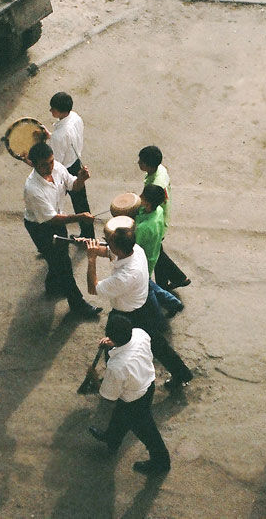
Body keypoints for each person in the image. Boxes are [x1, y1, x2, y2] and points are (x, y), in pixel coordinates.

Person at [83, 221, 193, 390]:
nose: (106, 244)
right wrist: (98, 250)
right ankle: (182, 374)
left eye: (109, 243)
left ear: (119, 249)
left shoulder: (124, 277)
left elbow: (93, 288)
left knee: (112, 347)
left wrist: (91, 258)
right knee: (159, 346)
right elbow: (111, 252)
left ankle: (113, 381)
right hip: (143, 308)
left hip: (126, 314)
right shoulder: (137, 250)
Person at [23, 141, 101, 318]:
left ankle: (52, 286)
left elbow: (73, 185)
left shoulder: (57, 167)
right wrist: (80, 217)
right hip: (41, 227)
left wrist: (81, 178)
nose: (49, 167)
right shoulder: (33, 188)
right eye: (44, 165)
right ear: (33, 164)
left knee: (58, 258)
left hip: (56, 220)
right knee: (64, 264)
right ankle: (77, 304)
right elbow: (51, 219)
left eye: (51, 161)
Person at [86, 314, 171, 475]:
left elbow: (108, 395)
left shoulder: (117, 366)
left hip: (134, 399)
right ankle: (112, 438)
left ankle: (161, 462)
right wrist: (114, 343)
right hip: (147, 384)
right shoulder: (140, 334)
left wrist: (94, 378)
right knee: (120, 415)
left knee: (147, 432)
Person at [139, 145, 190, 291]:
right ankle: (171, 281)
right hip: (161, 217)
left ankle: (176, 279)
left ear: (149, 165)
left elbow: (148, 203)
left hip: (156, 220)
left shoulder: (156, 185)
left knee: (156, 253)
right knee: (158, 252)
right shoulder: (159, 169)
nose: (138, 163)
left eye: (141, 162)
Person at [47, 92, 95, 239]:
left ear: (60, 111)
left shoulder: (59, 136)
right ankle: (88, 235)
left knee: (54, 205)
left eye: (52, 108)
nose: (50, 111)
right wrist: (50, 135)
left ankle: (57, 238)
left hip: (65, 169)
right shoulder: (75, 117)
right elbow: (68, 141)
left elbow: (56, 162)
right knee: (81, 204)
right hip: (76, 163)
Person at [134, 184, 184, 318]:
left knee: (147, 289)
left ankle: (160, 313)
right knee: (148, 284)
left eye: (142, 197)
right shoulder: (159, 211)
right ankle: (172, 302)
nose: (139, 197)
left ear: (148, 204)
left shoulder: (143, 228)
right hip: (153, 253)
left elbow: (134, 246)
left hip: (144, 260)